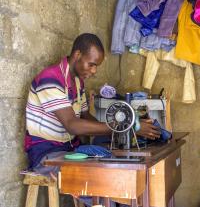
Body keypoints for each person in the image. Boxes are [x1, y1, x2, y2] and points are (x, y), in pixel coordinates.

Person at [25, 33, 161, 176]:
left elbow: (85, 116)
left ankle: (117, 197)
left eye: (96, 66)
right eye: (91, 64)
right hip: (46, 154)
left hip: (71, 149)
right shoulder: (50, 78)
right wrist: (126, 128)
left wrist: (123, 128)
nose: (94, 71)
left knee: (116, 161)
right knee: (105, 175)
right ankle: (113, 198)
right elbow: (73, 124)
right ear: (77, 55)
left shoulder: (77, 82)